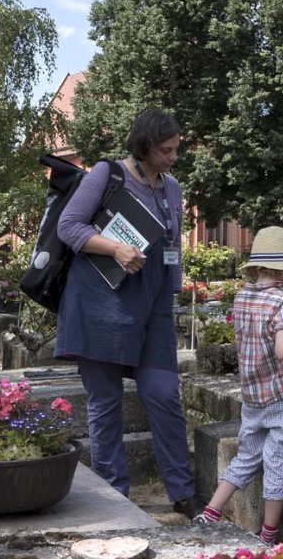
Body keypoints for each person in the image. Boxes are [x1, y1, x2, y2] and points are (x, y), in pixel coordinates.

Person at [54, 108, 200, 517]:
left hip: (152, 307)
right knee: (105, 404)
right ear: (145, 145)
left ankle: (181, 492)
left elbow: (174, 245)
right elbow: (69, 227)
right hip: (100, 304)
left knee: (165, 396)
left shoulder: (171, 187)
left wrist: (171, 293)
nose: (173, 157)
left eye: (175, 150)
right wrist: (115, 247)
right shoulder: (106, 173)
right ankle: (114, 497)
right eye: (166, 150)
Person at [192, 227, 283, 544]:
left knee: (247, 456)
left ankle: (210, 512)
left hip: (252, 394)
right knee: (276, 463)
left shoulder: (243, 296)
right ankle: (268, 534)